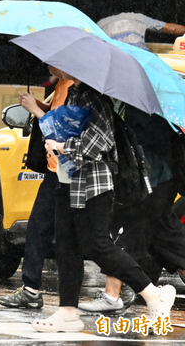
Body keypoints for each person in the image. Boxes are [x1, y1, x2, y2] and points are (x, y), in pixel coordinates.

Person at [32, 71, 176, 333]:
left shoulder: (93, 97)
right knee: (67, 246)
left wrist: (62, 147)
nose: (50, 67)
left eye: (55, 64)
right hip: (68, 180)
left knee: (97, 245)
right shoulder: (75, 92)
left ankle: (153, 294)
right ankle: (67, 312)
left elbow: (99, 141)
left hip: (93, 185)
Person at [79, 107, 185, 314]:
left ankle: (112, 295)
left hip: (152, 179)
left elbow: (146, 139)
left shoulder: (145, 108)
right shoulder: (155, 104)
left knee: (124, 226)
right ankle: (113, 295)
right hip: (162, 180)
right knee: (167, 239)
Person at [0, 67, 73, 309]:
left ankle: (139, 288)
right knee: (40, 228)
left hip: (68, 172)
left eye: (52, 62)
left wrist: (35, 110)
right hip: (55, 171)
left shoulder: (75, 88)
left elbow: (62, 130)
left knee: (79, 238)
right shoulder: (62, 85)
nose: (48, 65)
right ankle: (31, 290)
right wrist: (42, 105)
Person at [97, 13, 185, 51]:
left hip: (115, 58)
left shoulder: (100, 24)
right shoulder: (138, 18)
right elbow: (173, 29)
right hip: (141, 57)